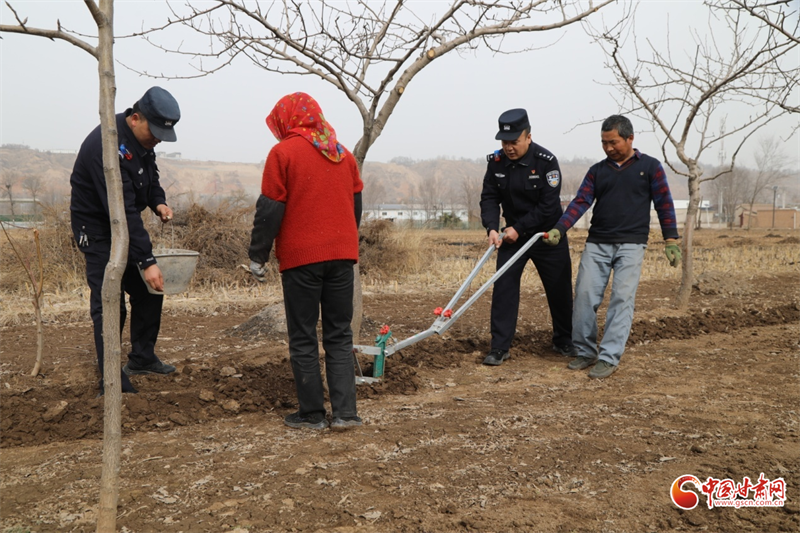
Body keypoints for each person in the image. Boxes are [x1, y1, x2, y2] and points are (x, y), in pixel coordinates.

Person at [249, 92, 363, 431]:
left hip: (301, 260)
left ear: (286, 120)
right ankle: (345, 414)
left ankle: (312, 415)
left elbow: (270, 210)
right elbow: (355, 206)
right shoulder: (343, 154)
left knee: (303, 336)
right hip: (342, 257)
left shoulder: (283, 153)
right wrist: (343, 242)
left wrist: (258, 255)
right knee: (339, 334)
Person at [544, 114, 681, 379]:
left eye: (613, 142)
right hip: (598, 243)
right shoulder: (597, 171)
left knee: (621, 299)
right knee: (584, 296)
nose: (608, 148)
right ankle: (585, 351)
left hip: (632, 244)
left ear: (630, 139)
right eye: (604, 143)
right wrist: (560, 228)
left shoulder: (650, 167)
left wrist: (671, 240)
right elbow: (580, 202)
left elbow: (664, 203)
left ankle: (608, 357)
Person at [70, 86, 180, 395]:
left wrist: (158, 201)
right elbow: (124, 211)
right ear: (135, 118)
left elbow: (150, 176)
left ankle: (142, 358)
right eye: (154, 132)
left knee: (149, 291)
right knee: (110, 301)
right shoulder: (106, 146)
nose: (158, 139)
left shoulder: (142, 141)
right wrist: (147, 260)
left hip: (122, 226)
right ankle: (110, 377)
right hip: (97, 230)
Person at [479, 108, 575, 366]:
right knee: (504, 288)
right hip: (512, 237)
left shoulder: (546, 162)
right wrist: (491, 227)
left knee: (559, 289)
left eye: (514, 142)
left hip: (546, 235)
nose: (509, 148)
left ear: (528, 137)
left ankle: (564, 340)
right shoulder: (496, 163)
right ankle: (500, 347)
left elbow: (548, 206)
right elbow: (489, 197)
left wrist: (519, 228)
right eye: (504, 143)